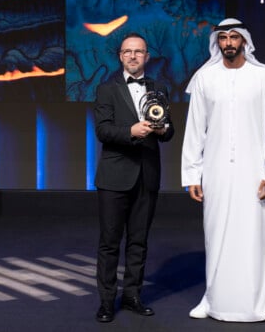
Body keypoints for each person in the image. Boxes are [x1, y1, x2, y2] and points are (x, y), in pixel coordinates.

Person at [181, 18, 265, 322]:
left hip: (255, 173)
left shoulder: (264, 78)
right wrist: (192, 174)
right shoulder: (205, 78)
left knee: (253, 237)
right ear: (217, 42)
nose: (228, 43)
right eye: (223, 38)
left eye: (234, 37)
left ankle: (259, 303)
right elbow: (195, 130)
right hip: (215, 171)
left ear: (244, 41)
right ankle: (213, 299)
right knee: (215, 234)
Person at [93, 32, 174, 323]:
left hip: (147, 176)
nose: (133, 56)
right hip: (114, 177)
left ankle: (132, 296)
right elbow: (103, 130)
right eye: (128, 51)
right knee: (110, 242)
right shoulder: (106, 89)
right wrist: (131, 131)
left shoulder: (159, 87)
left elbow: (169, 129)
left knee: (139, 242)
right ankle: (106, 302)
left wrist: (163, 130)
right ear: (120, 56)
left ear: (147, 57)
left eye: (138, 51)